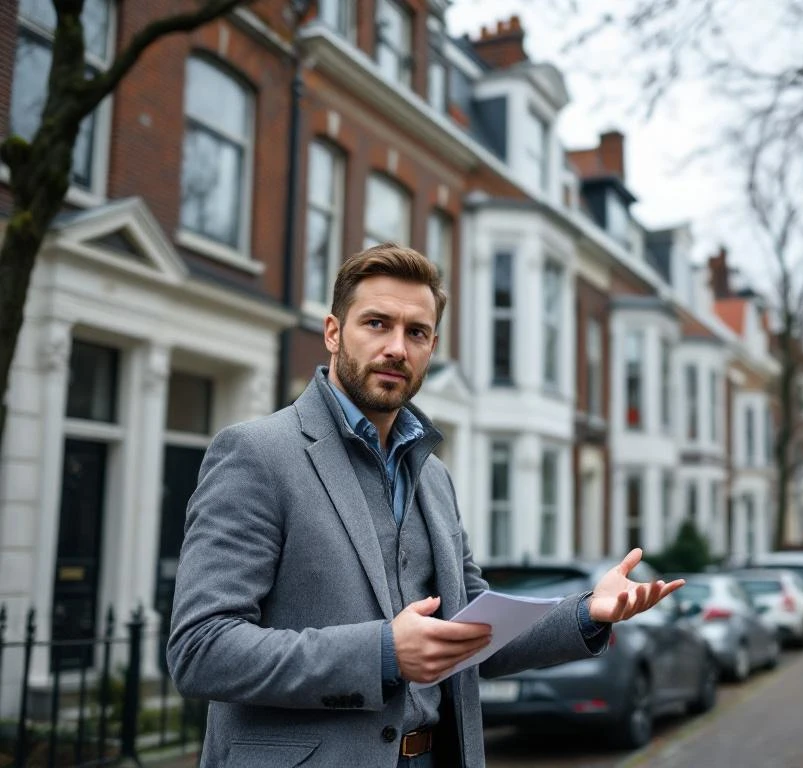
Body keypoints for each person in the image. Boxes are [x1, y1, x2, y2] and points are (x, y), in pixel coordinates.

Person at [167, 243, 685, 768]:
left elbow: (475, 631)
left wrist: (586, 611)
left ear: (432, 346)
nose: (397, 347)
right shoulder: (257, 454)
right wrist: (383, 654)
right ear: (332, 332)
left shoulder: (433, 475)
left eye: (416, 332)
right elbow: (200, 648)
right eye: (376, 323)